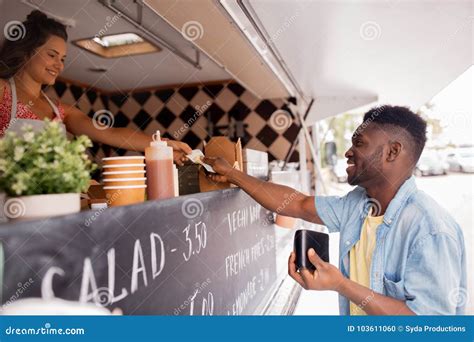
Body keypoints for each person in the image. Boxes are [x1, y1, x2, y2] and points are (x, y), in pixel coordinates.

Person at [204, 105, 466, 315]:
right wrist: (232, 173)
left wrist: (340, 285)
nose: (347, 153)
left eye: (359, 143)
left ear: (392, 152)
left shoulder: (431, 229)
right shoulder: (359, 204)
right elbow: (297, 204)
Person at [0, 10, 191, 165]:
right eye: (52, 55)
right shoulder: (3, 91)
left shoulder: (60, 111)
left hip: (49, 205)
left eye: (63, 59)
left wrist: (163, 145)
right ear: (26, 52)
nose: (59, 65)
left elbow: (110, 133)